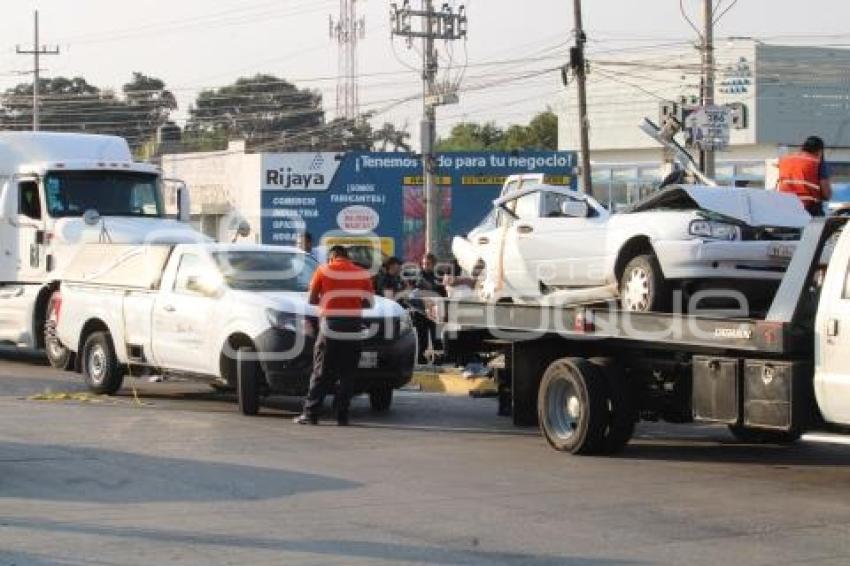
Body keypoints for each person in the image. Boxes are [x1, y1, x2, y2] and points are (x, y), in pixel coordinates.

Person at [294, 245, 374, 426]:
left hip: (330, 325)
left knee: (321, 371)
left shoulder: (323, 270)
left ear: (331, 257)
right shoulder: (361, 273)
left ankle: (311, 414)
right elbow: (369, 304)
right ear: (347, 257)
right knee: (347, 373)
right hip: (353, 326)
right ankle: (342, 416)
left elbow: (312, 300)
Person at [777, 136, 833, 216]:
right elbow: (826, 194)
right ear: (820, 151)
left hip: (784, 206)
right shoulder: (817, 163)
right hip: (807, 208)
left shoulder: (785, 160)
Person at [411, 253, 446, 365]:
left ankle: (438, 361)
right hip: (420, 312)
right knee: (422, 340)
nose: (425, 266)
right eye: (424, 263)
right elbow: (413, 292)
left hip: (434, 311)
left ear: (434, 264)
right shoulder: (418, 276)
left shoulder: (439, 276)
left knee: (437, 339)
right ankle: (421, 363)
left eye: (428, 264)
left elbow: (443, 293)